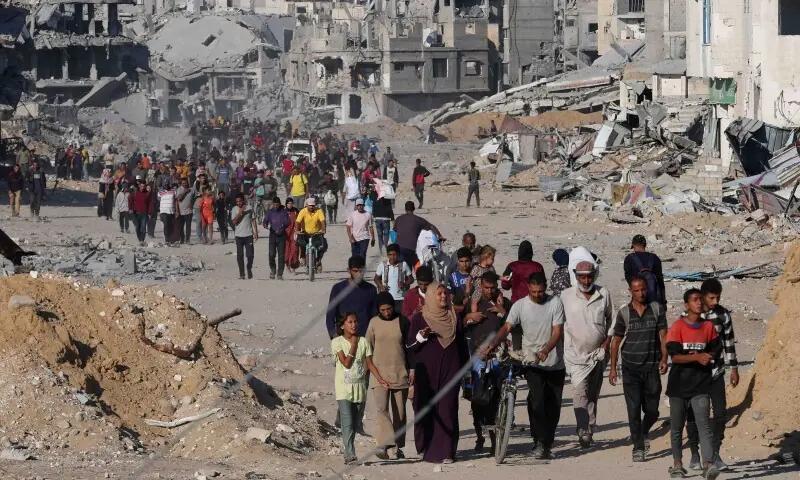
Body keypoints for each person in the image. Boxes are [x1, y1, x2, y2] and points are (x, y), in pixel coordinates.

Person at [485, 272, 565, 460]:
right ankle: (538, 441)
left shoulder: (555, 303)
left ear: (545, 287)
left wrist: (546, 350)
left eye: (541, 291)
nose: (538, 294)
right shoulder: (520, 306)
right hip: (531, 361)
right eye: (535, 291)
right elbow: (507, 327)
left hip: (554, 363)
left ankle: (547, 443)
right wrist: (496, 342)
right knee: (536, 399)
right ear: (529, 287)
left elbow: (557, 332)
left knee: (553, 405)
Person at [407, 282, 468, 464]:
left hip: (451, 368)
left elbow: (462, 346)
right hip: (427, 372)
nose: (443, 296)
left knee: (447, 407)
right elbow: (410, 345)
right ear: (431, 296)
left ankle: (447, 451)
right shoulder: (420, 318)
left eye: (445, 293)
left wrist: (466, 371)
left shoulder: (455, 317)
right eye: (439, 293)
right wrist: (422, 335)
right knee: (425, 407)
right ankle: (426, 447)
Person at [609, 276, 668, 463]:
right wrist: (612, 368)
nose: (641, 293)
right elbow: (616, 341)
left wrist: (665, 358)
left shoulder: (657, 309)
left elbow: (664, 336)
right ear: (630, 291)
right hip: (630, 368)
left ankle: (642, 432)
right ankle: (638, 447)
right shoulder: (624, 313)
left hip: (652, 367)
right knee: (633, 409)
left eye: (643, 289)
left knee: (652, 411)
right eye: (636, 290)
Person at [666, 289, 721, 480]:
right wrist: (697, 357)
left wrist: (709, 356)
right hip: (679, 385)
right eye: (694, 300)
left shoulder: (708, 327)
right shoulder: (677, 327)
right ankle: (677, 464)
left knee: (703, 425)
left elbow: (716, 349)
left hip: (701, 384)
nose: (699, 303)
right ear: (686, 305)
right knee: (677, 426)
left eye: (700, 300)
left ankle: (707, 465)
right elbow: (675, 357)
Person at [686, 279, 739, 471]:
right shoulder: (691, 315)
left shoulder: (723, 314)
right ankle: (694, 454)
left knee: (720, 414)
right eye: (712, 298)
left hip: (716, 373)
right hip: (695, 375)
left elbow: (729, 342)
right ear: (703, 295)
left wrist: (734, 368)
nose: (715, 301)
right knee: (693, 416)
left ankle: (715, 454)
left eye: (718, 297)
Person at [561, 258, 614, 449]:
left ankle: (590, 427)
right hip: (575, 355)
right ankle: (582, 428)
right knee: (580, 391)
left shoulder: (603, 294)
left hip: (598, 355)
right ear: (576, 277)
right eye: (582, 277)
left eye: (589, 277)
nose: (585, 281)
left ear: (594, 276)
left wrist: (606, 343)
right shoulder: (565, 296)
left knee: (593, 392)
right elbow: (558, 322)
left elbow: (612, 322)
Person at [326, 255, 378, 433]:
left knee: (361, 384)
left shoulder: (371, 290)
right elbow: (330, 315)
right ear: (349, 270)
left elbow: (374, 318)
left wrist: (371, 342)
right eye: (355, 271)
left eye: (361, 271)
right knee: (345, 383)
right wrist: (335, 338)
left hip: (364, 344)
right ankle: (343, 420)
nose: (358, 274)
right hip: (343, 343)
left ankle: (356, 423)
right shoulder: (338, 289)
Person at [332, 312, 389, 465]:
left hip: (359, 387)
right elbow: (346, 363)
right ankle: (349, 453)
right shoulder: (337, 342)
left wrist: (380, 379)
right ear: (343, 325)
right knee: (348, 421)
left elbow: (369, 363)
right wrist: (354, 345)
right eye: (350, 322)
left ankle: (347, 442)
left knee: (356, 422)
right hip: (343, 387)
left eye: (355, 321)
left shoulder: (364, 342)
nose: (354, 325)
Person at [465, 272, 510, 455]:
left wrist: (503, 313)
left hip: (497, 357)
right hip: (476, 358)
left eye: (492, 288)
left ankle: (494, 441)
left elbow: (513, 324)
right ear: (481, 286)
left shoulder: (502, 302)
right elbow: (462, 324)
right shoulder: (474, 303)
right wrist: (469, 315)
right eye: (486, 288)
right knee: (477, 401)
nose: (489, 291)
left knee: (496, 400)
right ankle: (479, 437)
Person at [365, 292, 411, 460]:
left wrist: (411, 370)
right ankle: (384, 445)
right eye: (382, 310)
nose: (386, 312)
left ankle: (397, 447)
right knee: (382, 409)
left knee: (399, 413)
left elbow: (410, 348)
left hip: (400, 373)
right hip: (379, 374)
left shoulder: (403, 321)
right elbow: (367, 349)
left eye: (389, 308)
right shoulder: (373, 323)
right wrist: (367, 372)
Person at [501, 240, 544, 350]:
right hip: (535, 305)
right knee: (533, 338)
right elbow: (542, 285)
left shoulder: (512, 266)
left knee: (516, 337)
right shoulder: (537, 267)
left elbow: (505, 284)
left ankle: (518, 362)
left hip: (516, 305)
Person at [392, 201, 445, 270]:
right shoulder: (418, 220)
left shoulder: (399, 219)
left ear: (405, 209)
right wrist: (440, 236)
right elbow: (431, 227)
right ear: (414, 208)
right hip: (411, 249)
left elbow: (394, 232)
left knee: (400, 268)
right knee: (412, 266)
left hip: (398, 249)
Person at [624, 235, 666, 307]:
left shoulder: (629, 259)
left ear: (633, 245)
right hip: (654, 300)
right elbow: (660, 281)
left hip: (638, 301)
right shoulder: (654, 258)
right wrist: (663, 302)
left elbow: (629, 280)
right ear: (645, 245)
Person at [374, 244, 413, 313]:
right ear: (387, 255)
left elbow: (411, 278)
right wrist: (381, 286)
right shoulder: (382, 265)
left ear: (398, 254)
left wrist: (405, 284)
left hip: (400, 298)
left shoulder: (404, 264)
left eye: (395, 254)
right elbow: (376, 278)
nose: (392, 257)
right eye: (390, 255)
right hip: (386, 299)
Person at [230, 193, 258, 279]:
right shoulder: (234, 209)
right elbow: (234, 222)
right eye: (237, 201)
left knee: (250, 255)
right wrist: (241, 212)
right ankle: (242, 274)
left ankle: (249, 268)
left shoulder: (249, 208)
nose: (239, 203)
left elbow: (253, 220)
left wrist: (255, 232)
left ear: (243, 200)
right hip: (239, 236)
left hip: (248, 234)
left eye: (240, 201)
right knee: (240, 255)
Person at [295, 197, 327, 271]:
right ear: (306, 205)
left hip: (316, 233)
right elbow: (297, 222)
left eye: (313, 205)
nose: (312, 207)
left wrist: (323, 229)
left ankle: (318, 260)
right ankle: (303, 256)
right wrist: (297, 230)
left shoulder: (319, 211)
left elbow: (322, 221)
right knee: (300, 242)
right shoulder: (303, 211)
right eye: (310, 205)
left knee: (323, 246)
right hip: (305, 233)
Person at [264, 196, 291, 280]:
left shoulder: (284, 212)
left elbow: (288, 222)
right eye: (274, 204)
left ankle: (280, 274)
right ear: (272, 204)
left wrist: (283, 225)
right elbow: (265, 221)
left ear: (280, 204)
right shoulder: (270, 212)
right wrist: (265, 224)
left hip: (281, 236)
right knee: (271, 254)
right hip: (272, 235)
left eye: (277, 204)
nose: (276, 206)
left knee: (281, 256)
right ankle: (273, 269)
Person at [466, 245, 496, 314]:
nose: (493, 261)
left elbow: (495, 277)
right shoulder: (476, 268)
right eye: (492, 259)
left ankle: (499, 311)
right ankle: (474, 314)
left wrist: (502, 278)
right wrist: (468, 288)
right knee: (474, 301)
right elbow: (469, 278)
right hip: (479, 288)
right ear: (486, 257)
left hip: (490, 288)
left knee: (499, 297)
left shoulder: (491, 268)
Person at [448, 247, 473, 313]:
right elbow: (451, 297)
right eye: (461, 261)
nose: (464, 264)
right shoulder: (453, 277)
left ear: (471, 260)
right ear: (458, 261)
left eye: (466, 261)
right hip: (459, 309)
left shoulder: (476, 273)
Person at [129, 181, 152, 246]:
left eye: (144, 186)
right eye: (141, 186)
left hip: (144, 213)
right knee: (137, 227)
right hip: (136, 213)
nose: (142, 188)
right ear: (139, 186)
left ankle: (142, 240)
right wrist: (130, 208)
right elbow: (130, 199)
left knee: (143, 227)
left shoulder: (147, 194)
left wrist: (150, 212)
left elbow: (150, 203)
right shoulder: (135, 193)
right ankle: (140, 239)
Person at [176, 177, 195, 244]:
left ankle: (187, 240)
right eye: (183, 183)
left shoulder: (192, 189)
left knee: (188, 226)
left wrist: (191, 203)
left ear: (188, 182)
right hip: (181, 212)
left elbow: (194, 198)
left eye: (185, 183)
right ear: (181, 183)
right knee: (181, 227)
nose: (184, 184)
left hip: (189, 211)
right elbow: (178, 199)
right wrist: (185, 192)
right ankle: (182, 239)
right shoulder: (179, 189)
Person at [284, 197, 300, 273]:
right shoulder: (283, 212)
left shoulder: (296, 211)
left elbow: (299, 221)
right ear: (286, 204)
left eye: (291, 203)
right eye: (288, 203)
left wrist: (298, 230)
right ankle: (288, 266)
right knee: (287, 251)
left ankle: (294, 267)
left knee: (294, 250)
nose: (290, 205)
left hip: (294, 233)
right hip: (285, 234)